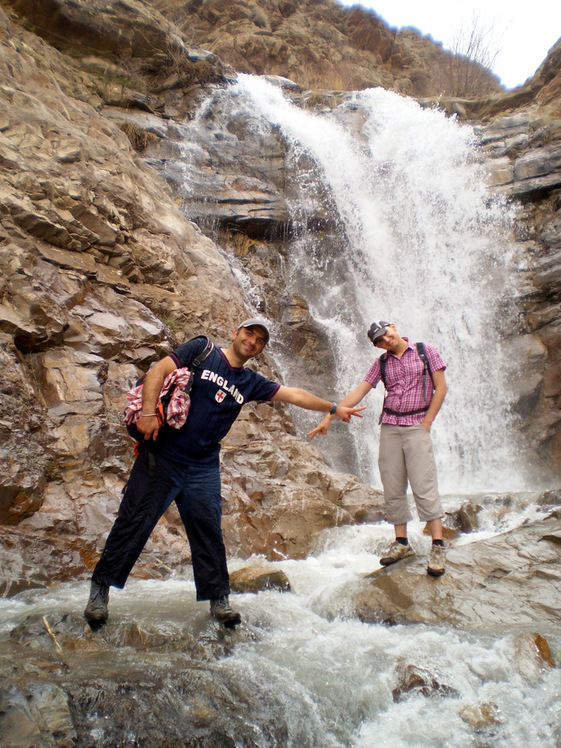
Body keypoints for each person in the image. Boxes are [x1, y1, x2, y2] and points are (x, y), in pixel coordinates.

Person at [84, 319, 364, 628]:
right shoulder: (202, 350)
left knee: (209, 533)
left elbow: (294, 394)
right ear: (235, 333)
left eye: (259, 341)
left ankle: (219, 600)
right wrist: (149, 413)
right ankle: (100, 591)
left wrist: (334, 407)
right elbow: (157, 372)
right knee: (133, 521)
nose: (253, 342)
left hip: (203, 466)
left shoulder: (250, 381)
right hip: (163, 456)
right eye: (249, 334)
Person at [308, 320, 448, 577]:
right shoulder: (381, 363)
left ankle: (437, 545)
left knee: (423, 484)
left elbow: (441, 388)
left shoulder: (425, 350)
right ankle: (401, 543)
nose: (385, 341)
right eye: (379, 341)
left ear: (393, 327)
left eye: (385, 335)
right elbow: (359, 392)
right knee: (392, 484)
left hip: (417, 423)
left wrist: (427, 422)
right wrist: (330, 414)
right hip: (390, 425)